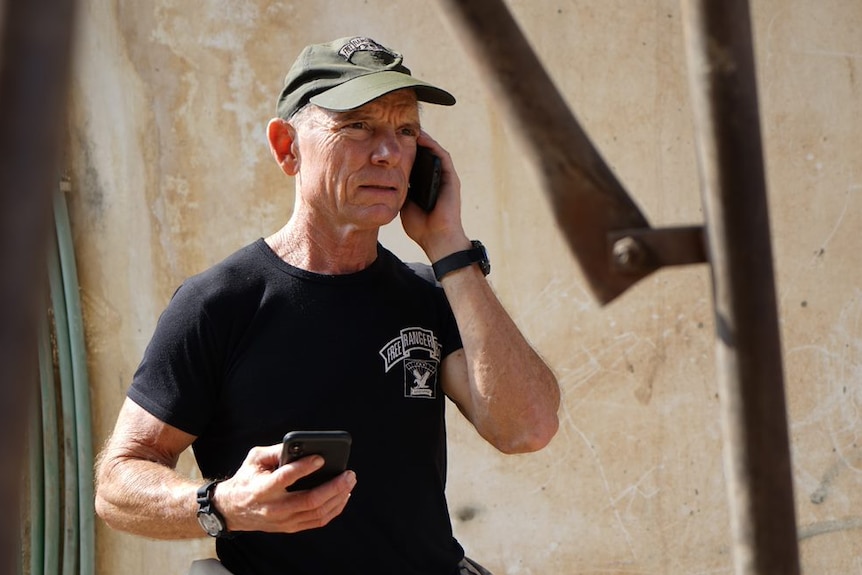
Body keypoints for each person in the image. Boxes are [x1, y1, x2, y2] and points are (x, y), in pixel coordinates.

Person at [95, 36, 560, 575]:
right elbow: (118, 483)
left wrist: (450, 249)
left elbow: (527, 428)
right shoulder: (219, 303)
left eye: (405, 130)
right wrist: (224, 505)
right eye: (358, 125)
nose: (387, 152)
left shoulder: (433, 295)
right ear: (287, 147)